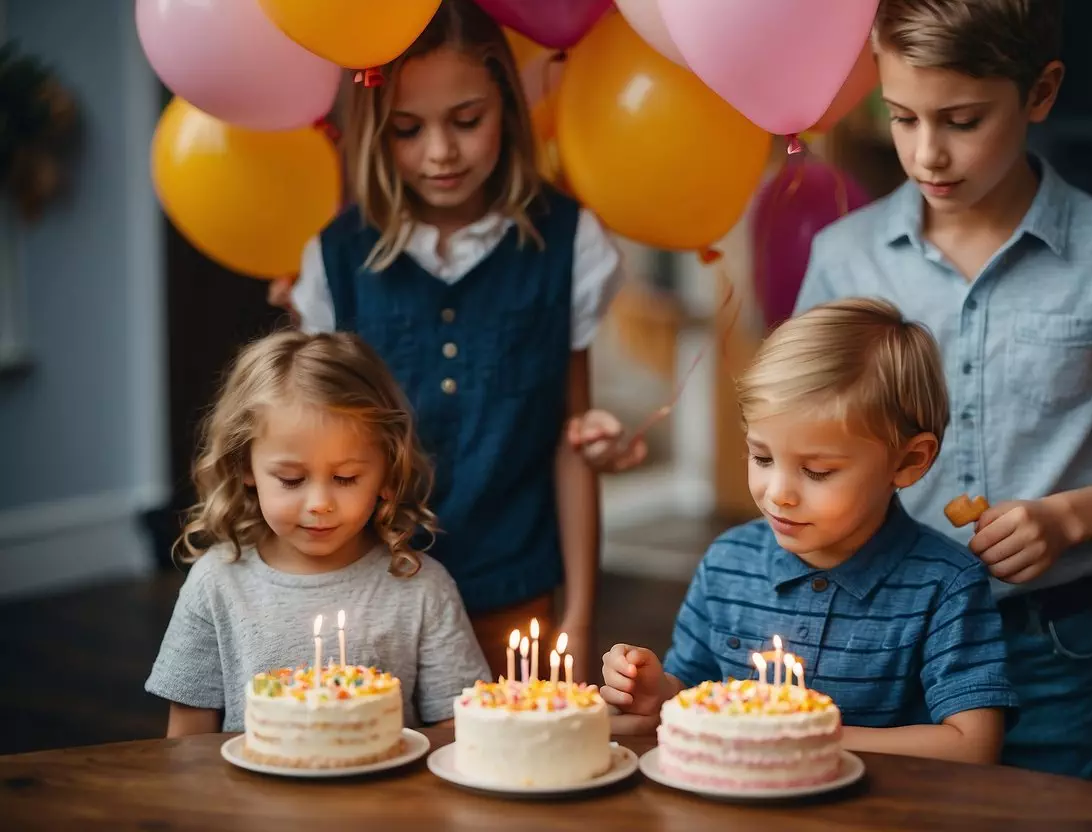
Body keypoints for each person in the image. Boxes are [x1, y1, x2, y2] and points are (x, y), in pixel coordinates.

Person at [794, 0, 1092, 781]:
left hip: (1042, 645)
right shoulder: (842, 258)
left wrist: (1066, 517)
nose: (927, 155)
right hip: (869, 634)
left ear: (1040, 92)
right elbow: (803, 445)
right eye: (902, 117)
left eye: (960, 120)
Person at [275, 0, 646, 678]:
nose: (440, 152)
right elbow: (312, 447)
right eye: (407, 130)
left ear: (506, 105)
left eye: (466, 121)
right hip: (371, 589)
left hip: (514, 586)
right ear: (373, 130)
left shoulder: (568, 242)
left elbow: (573, 444)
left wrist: (581, 615)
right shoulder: (335, 257)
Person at [602, 299, 1018, 765]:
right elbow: (688, 693)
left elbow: (972, 744)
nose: (778, 493)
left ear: (908, 461)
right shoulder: (728, 562)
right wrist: (655, 689)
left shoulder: (946, 583)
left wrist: (803, 732)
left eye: (817, 471)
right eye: (761, 457)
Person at [145, 330, 489, 736]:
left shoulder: (421, 588)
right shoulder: (216, 584)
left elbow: (459, 730)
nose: (319, 503)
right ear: (245, 467)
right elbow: (187, 740)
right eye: (291, 479)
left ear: (387, 473)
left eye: (346, 478)